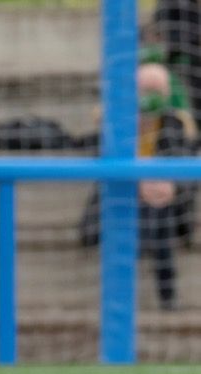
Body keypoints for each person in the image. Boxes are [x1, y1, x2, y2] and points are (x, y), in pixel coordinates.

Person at [79, 61, 196, 310]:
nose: (150, 98)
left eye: (156, 91)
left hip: (164, 203)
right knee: (133, 209)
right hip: (122, 197)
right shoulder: (116, 123)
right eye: (145, 90)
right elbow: (98, 159)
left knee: (159, 214)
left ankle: (165, 300)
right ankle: (124, 297)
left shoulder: (175, 124)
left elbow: (184, 169)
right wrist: (137, 183)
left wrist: (170, 187)